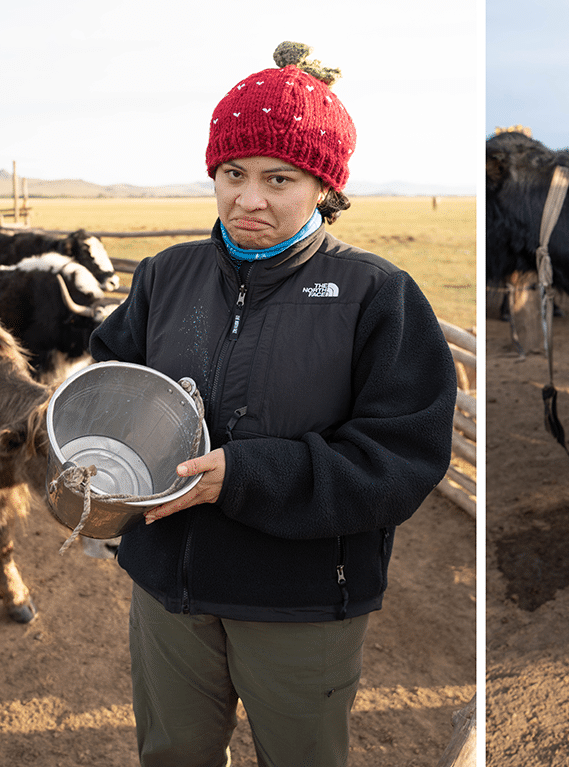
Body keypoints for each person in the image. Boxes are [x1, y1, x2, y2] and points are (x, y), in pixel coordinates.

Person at [90, 41, 457, 767]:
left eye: (278, 178)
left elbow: (401, 459)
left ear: (323, 184)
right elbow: (110, 380)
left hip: (302, 597)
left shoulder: (375, 295)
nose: (247, 198)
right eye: (232, 173)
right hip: (171, 584)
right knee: (172, 754)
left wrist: (247, 473)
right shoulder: (167, 275)